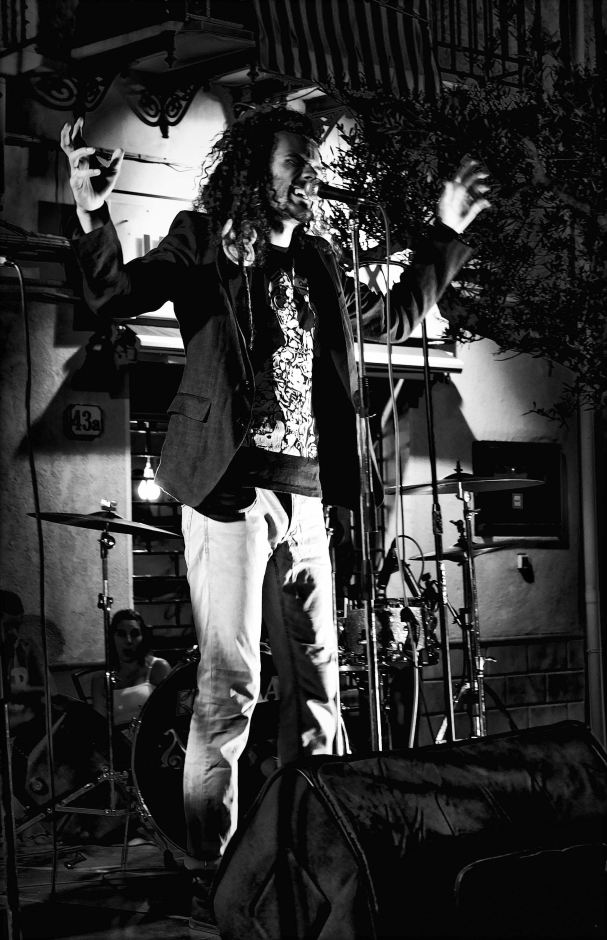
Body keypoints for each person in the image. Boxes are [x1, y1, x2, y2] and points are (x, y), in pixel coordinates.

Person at [61, 105, 489, 935]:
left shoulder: (320, 258)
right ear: (256, 170)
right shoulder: (203, 241)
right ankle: (211, 868)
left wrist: (444, 233)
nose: (310, 175)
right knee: (231, 686)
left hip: (308, 497)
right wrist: (90, 209)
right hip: (230, 494)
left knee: (319, 688)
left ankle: (310, 852)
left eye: (312, 164)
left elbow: (390, 317)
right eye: (297, 160)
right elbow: (113, 293)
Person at [91, 608, 171, 737]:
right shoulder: (101, 679)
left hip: (153, 740)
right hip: (119, 744)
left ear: (143, 637)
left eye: (134, 634)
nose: (128, 640)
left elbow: (170, 715)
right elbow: (100, 728)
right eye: (121, 634)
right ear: (112, 638)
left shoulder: (158, 667)